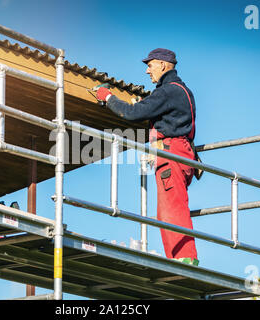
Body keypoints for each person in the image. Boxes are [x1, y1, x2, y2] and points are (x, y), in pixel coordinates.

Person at [96, 48, 199, 266]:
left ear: (163, 65)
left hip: (171, 154)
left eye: (150, 64)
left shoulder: (168, 91)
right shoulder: (183, 90)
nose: (146, 70)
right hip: (181, 153)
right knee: (165, 211)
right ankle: (178, 259)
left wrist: (109, 98)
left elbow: (132, 113)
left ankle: (185, 259)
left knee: (173, 208)